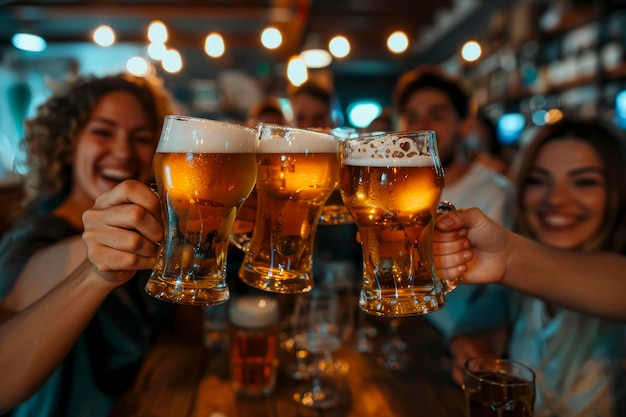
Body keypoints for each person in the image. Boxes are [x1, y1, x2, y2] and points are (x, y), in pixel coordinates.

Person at [0, 73, 185, 416]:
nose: (123, 151)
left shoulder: (150, 233)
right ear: (68, 143)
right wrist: (95, 271)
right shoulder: (31, 241)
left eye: (142, 138)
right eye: (102, 132)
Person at [446, 117, 626, 416]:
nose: (554, 198)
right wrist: (475, 341)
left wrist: (508, 256)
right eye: (537, 180)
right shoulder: (523, 291)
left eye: (585, 182)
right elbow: (487, 311)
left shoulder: (611, 287)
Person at [392, 65, 516, 339]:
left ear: (465, 125)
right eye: (412, 117)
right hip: (395, 327)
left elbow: (501, 294)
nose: (422, 128)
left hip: (450, 342)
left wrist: (467, 336)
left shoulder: (496, 193)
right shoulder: (392, 190)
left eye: (436, 115)